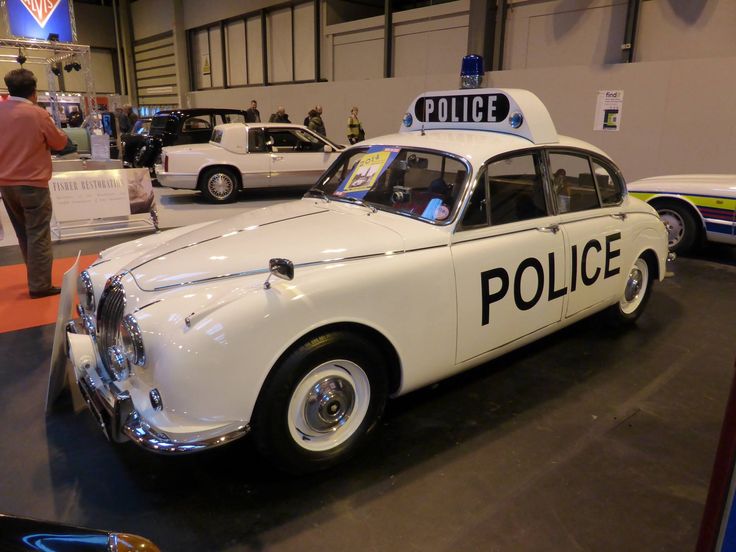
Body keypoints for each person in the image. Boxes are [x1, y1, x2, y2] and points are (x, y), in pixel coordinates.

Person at [0, 69, 68, 298]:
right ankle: (40, 285)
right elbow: (58, 142)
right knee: (38, 234)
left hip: (6, 185)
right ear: (33, 91)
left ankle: (35, 276)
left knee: (23, 234)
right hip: (32, 184)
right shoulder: (37, 114)